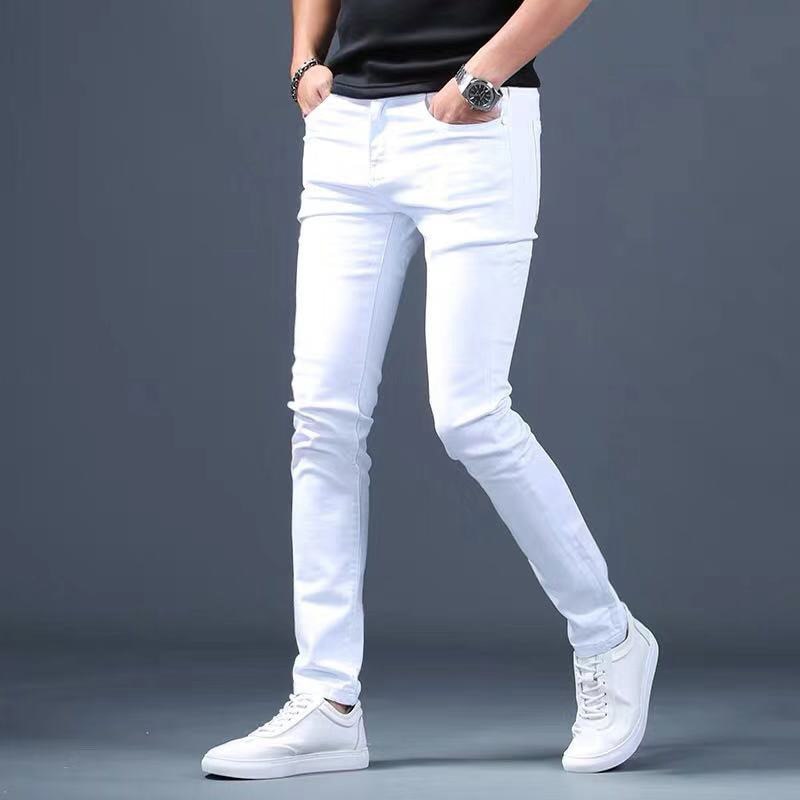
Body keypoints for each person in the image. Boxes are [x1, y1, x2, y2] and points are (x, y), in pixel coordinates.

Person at [202, 0, 658, 780]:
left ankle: (608, 636)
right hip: (346, 128)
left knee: (470, 415)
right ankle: (326, 701)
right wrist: (306, 60)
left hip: (474, 119)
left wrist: (482, 76)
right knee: (322, 418)